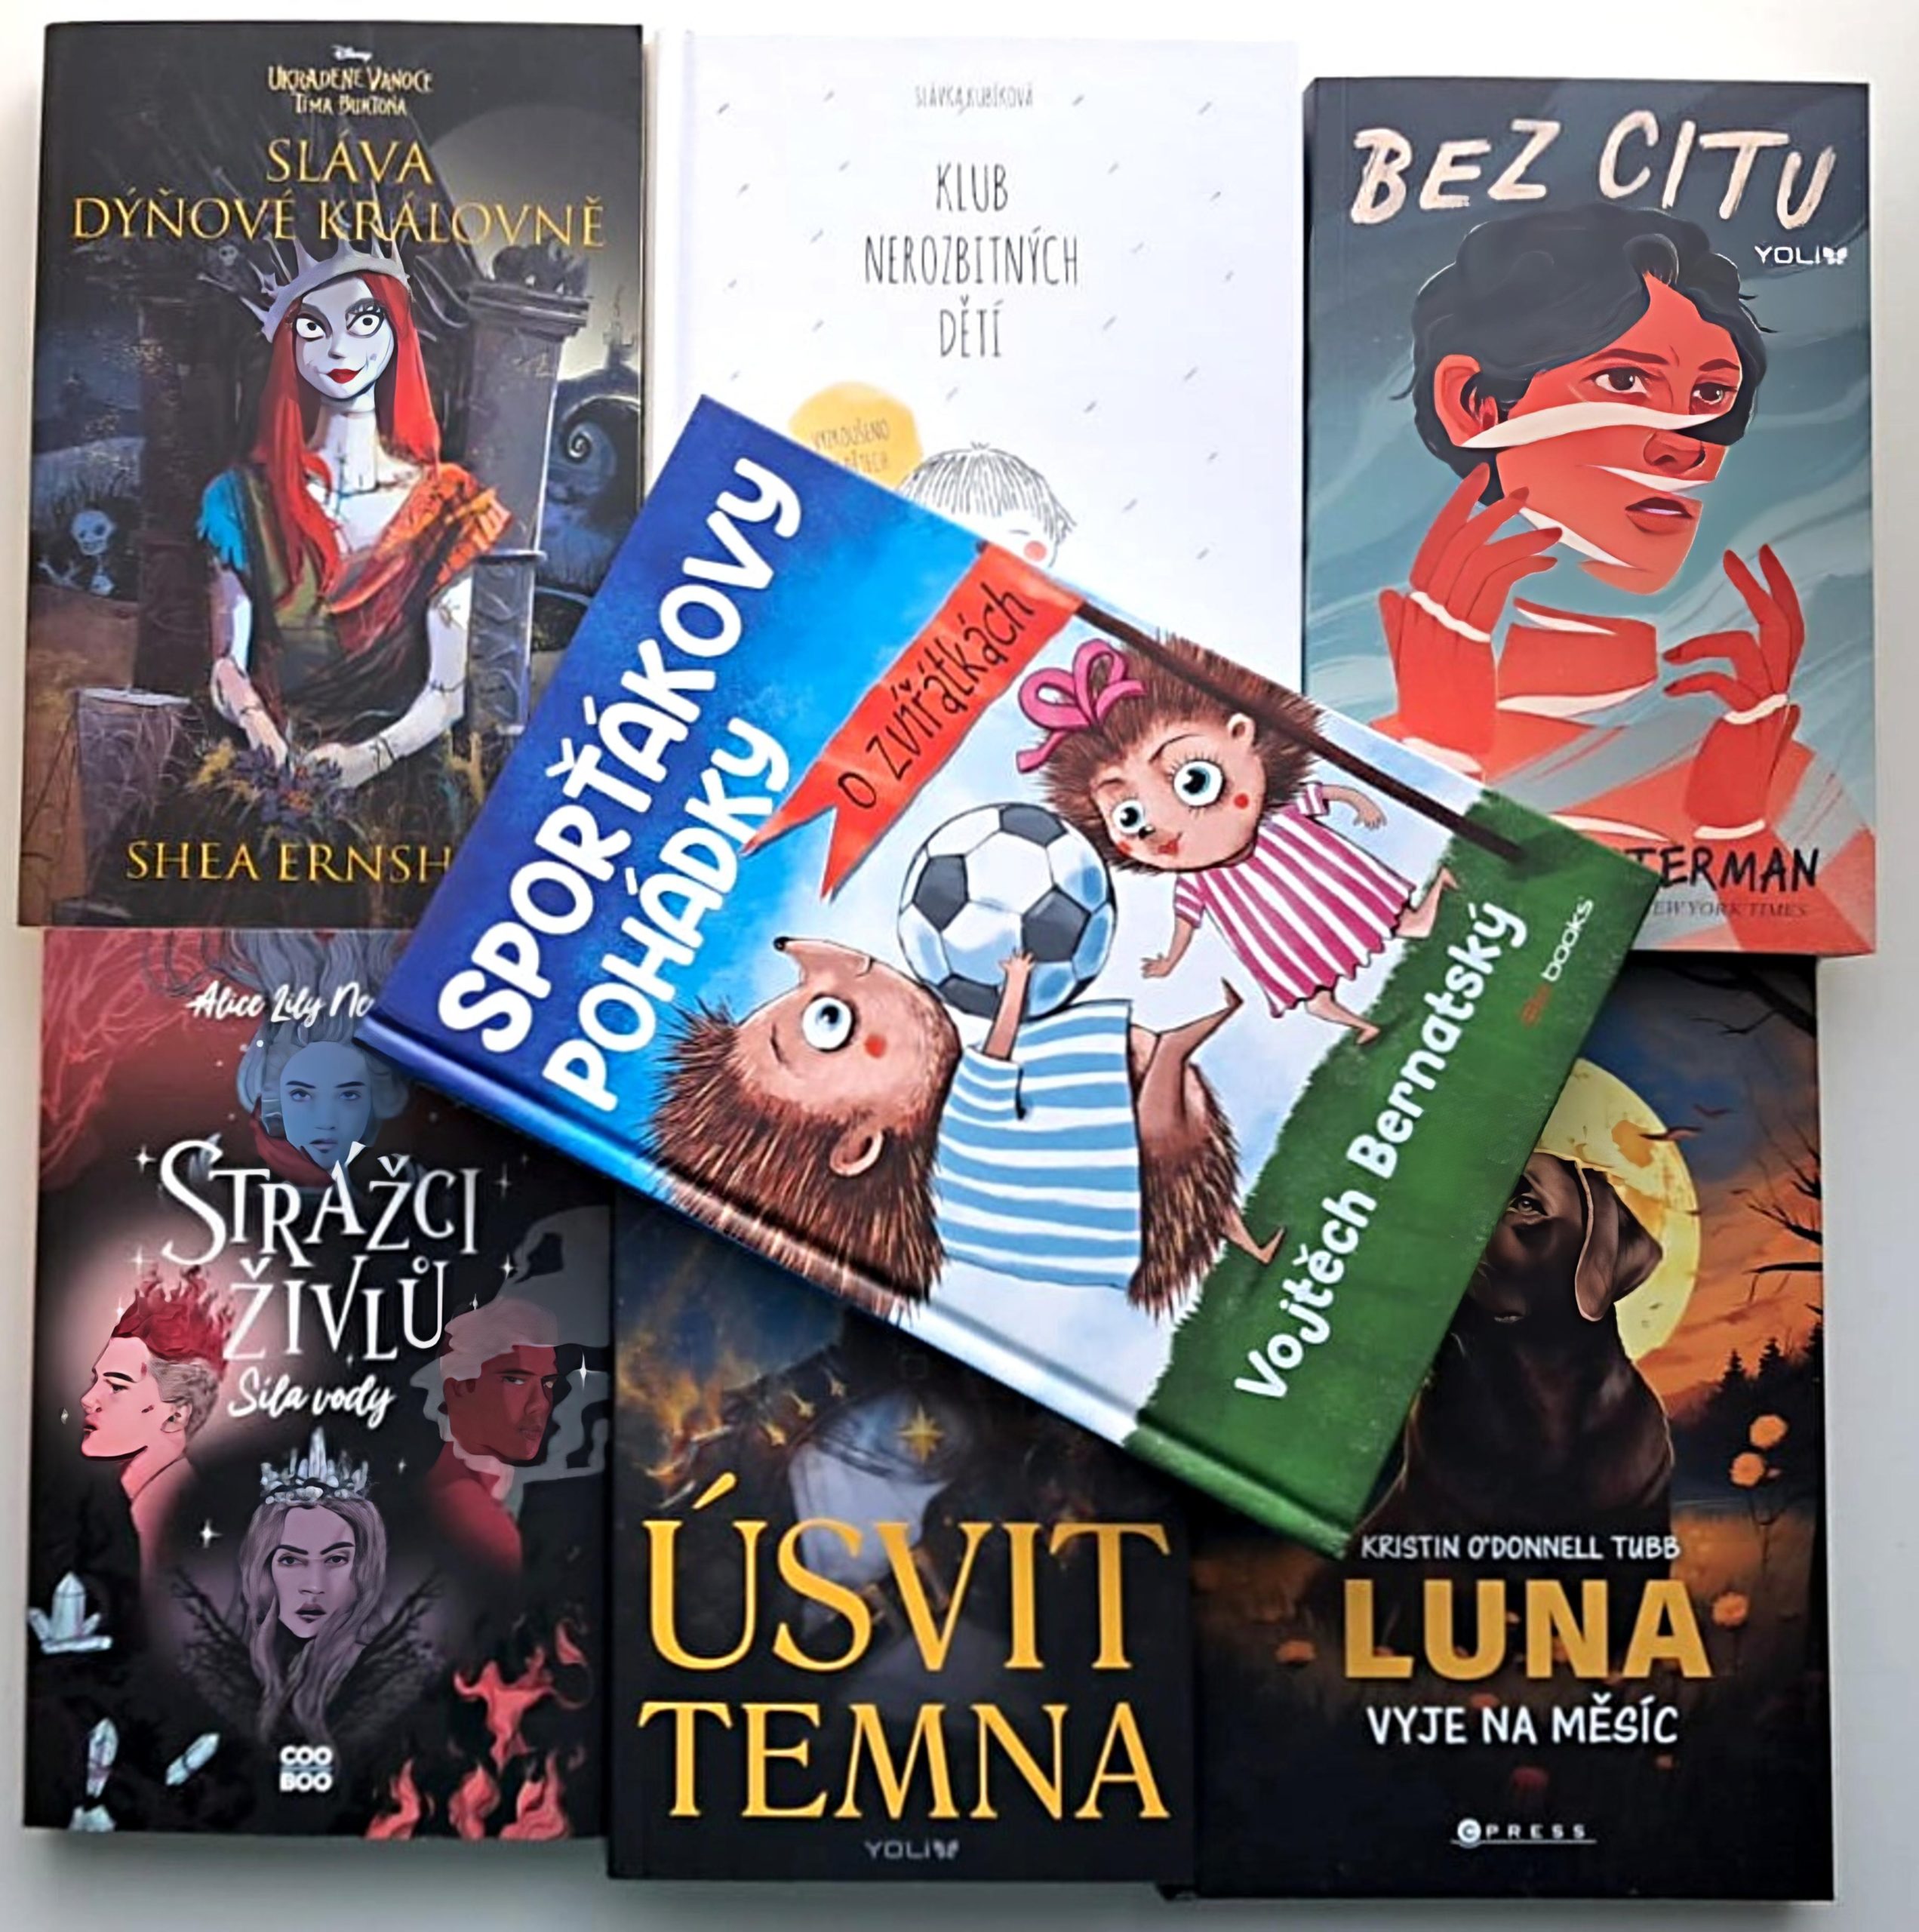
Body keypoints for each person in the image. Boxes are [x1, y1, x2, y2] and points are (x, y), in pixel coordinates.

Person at [1373, 202, 1871, 948]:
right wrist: (1438, 759)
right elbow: (1359, 968)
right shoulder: (1380, 759)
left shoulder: (1763, 765)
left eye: (1709, 396)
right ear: (1473, 404)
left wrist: (1734, 829)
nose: (1684, 443)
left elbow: (1821, 957)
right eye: (1623, 381)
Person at [1020, 636, 1452, 1044]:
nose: (1164, 827)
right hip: (1272, 931)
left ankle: (1416, 921)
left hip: (1324, 889)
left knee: (1369, 911)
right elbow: (1187, 919)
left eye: (1194, 780)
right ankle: (1357, 1024)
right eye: (1128, 816)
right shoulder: (1198, 881)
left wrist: (1357, 800)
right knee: (1312, 985)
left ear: (1242, 734)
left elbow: (1320, 797)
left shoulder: (1282, 824)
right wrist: (1170, 960)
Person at [79, 1266, 231, 1577]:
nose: (88, 1399)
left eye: (117, 1386)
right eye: (96, 1381)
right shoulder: (131, 1498)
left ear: (176, 1414)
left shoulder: (162, 1513)